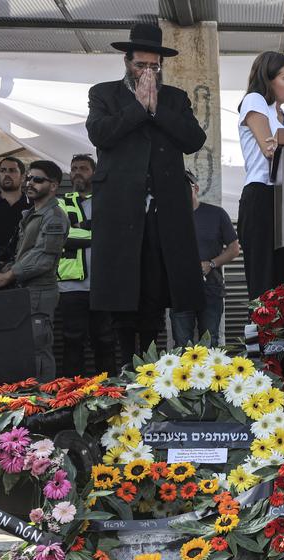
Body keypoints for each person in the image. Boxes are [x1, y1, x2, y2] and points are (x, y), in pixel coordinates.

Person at [86, 23, 207, 368]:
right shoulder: (104, 94)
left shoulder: (175, 98)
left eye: (155, 66)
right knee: (123, 289)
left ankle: (154, 365)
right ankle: (126, 365)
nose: (148, 72)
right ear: (127, 61)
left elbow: (193, 139)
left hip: (163, 209)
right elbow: (100, 134)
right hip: (121, 208)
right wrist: (138, 109)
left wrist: (155, 110)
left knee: (156, 289)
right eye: (141, 65)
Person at [0, 161, 68, 380]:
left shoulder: (54, 216)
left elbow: (43, 257)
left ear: (53, 186)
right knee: (22, 350)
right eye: (29, 179)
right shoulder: (32, 214)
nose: (30, 183)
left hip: (39, 292)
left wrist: (8, 275)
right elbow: (24, 253)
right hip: (24, 291)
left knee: (38, 350)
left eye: (38, 180)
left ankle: (45, 405)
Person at [237, 51, 284, 300]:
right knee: (264, 280)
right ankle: (265, 337)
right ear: (268, 79)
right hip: (262, 195)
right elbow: (269, 149)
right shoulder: (254, 100)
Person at [56, 154, 115, 377]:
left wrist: (81, 226)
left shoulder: (106, 201)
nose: (77, 172)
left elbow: (113, 234)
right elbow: (63, 235)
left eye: (83, 168)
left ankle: (108, 392)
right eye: (74, 168)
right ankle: (72, 395)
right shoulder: (61, 203)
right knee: (72, 342)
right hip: (71, 286)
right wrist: (94, 229)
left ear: (94, 173)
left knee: (106, 341)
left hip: (103, 285)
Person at [170, 171, 240, 347]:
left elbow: (234, 249)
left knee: (209, 343)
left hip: (211, 289)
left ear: (196, 188)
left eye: (186, 188)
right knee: (182, 346)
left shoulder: (216, 214)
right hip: (180, 289)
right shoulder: (169, 217)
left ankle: (210, 375)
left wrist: (211, 264)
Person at [0, 157, 31, 269]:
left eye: (12, 170)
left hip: (26, 271)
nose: (7, 174)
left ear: (23, 177)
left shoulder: (34, 205)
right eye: (3, 170)